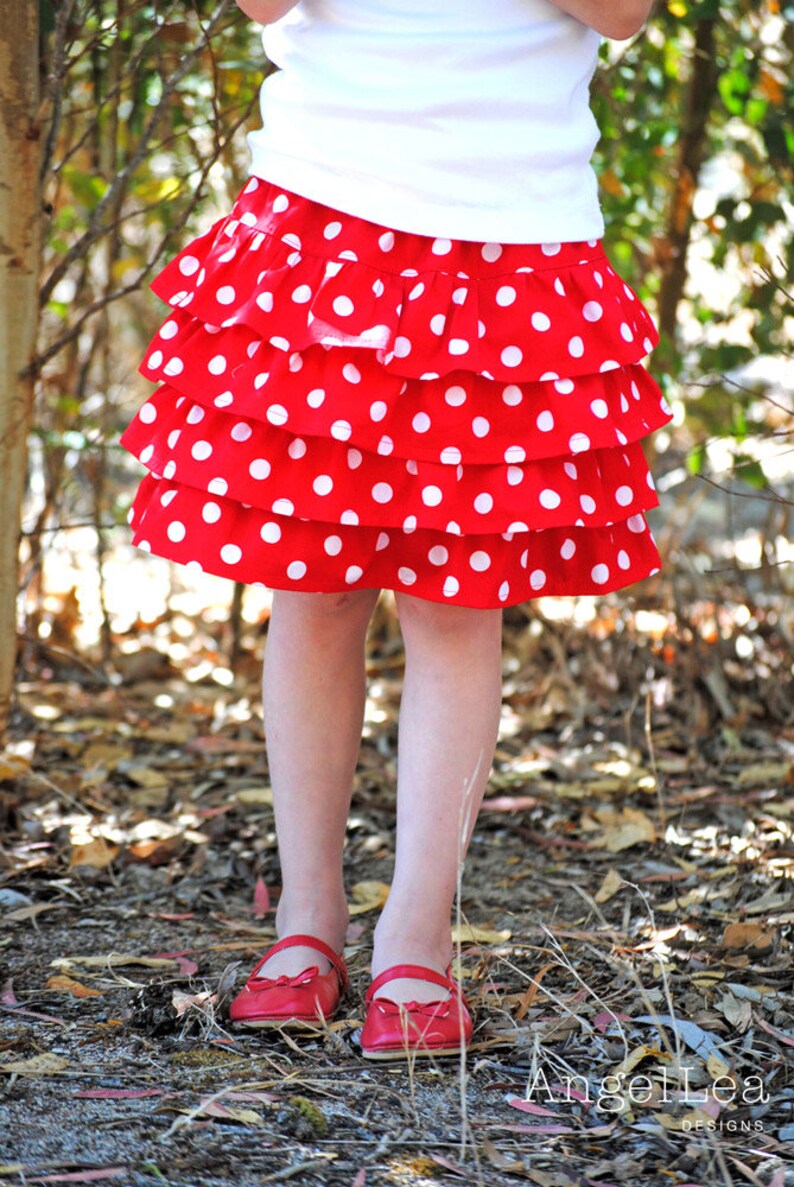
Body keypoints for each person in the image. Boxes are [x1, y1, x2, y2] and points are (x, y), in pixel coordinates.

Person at [120, 0, 667, 1059]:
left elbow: (622, 14)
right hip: (322, 223)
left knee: (457, 608)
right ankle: (304, 925)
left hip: (508, 245)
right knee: (313, 592)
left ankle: (415, 938)